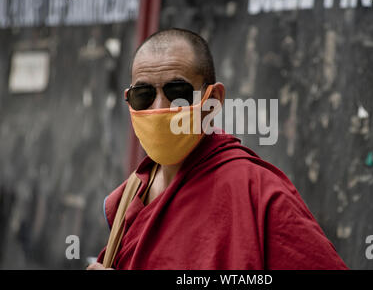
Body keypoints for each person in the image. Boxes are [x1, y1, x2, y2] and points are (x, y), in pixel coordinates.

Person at [87, 28, 348, 270]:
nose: (158, 108)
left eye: (178, 92)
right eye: (143, 95)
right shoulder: (132, 195)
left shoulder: (256, 192)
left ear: (212, 100)